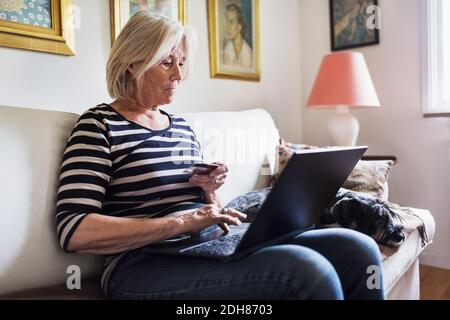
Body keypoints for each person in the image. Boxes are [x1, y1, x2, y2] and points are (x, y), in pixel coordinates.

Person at [55, 10, 385, 300]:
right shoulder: (98, 125)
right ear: (132, 63)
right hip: (143, 263)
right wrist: (180, 223)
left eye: (181, 62)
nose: (179, 75)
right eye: (167, 63)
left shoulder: (180, 126)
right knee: (305, 271)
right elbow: (75, 230)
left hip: (210, 244)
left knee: (357, 250)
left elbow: (208, 209)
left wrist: (209, 190)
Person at [223, 3, 253, 68]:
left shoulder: (247, 52)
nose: (228, 27)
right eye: (227, 22)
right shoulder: (227, 49)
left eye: (231, 22)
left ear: (239, 27)